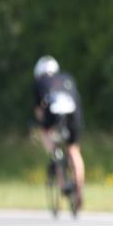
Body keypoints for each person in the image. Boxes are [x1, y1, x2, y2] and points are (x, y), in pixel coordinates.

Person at [32, 56, 86, 208]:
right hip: (73, 114)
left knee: (47, 136)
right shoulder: (67, 78)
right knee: (74, 150)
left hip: (53, 112)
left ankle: (61, 178)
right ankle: (79, 189)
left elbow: (39, 111)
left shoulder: (39, 82)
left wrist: (43, 126)